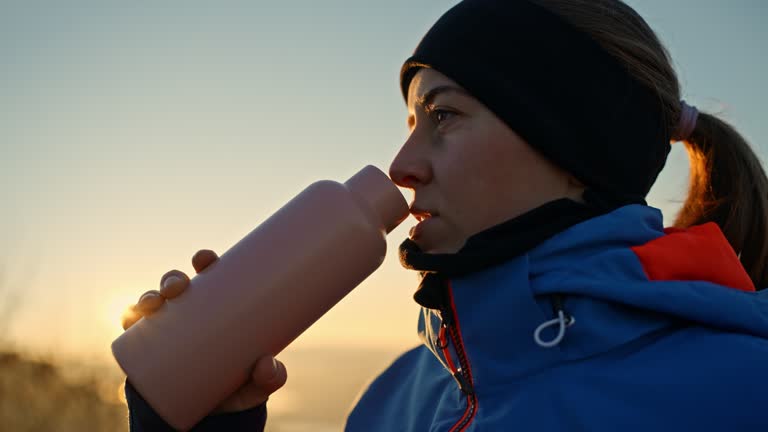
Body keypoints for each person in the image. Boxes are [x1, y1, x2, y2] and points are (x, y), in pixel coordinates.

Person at [121, 0, 768, 430]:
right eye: (410, 123)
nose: (402, 164)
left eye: (445, 116)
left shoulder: (741, 392)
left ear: (576, 146)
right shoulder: (395, 399)